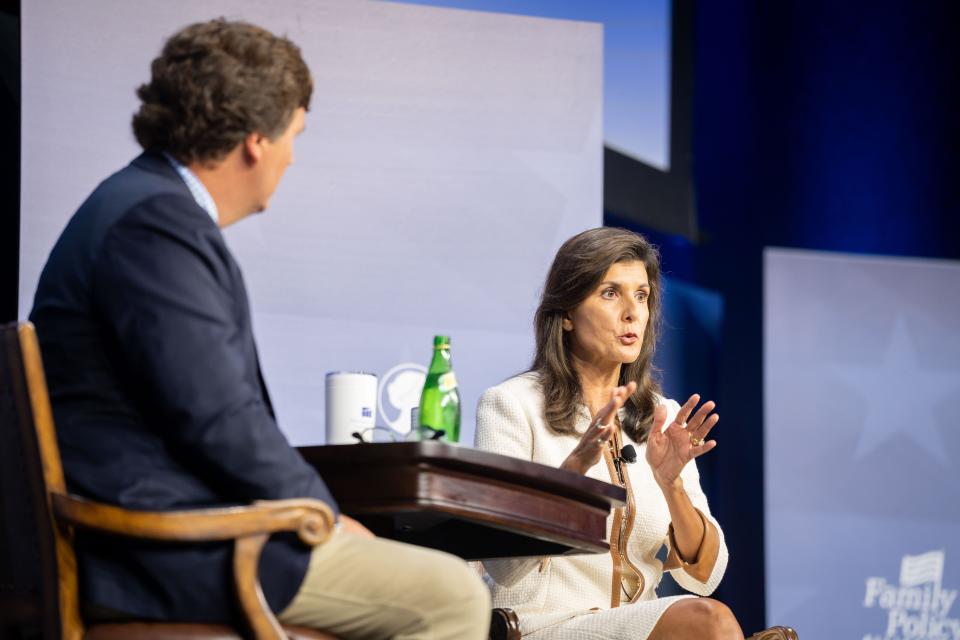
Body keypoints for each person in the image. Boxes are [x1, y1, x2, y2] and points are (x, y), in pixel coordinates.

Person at [29, 19, 489, 638]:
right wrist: (320, 512)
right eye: (294, 136)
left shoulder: (134, 204)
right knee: (453, 594)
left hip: (154, 540)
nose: (292, 156)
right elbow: (214, 418)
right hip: (164, 554)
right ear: (255, 141)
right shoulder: (156, 226)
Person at [474, 227, 743, 639]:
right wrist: (570, 477)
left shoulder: (661, 416)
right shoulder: (512, 406)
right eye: (610, 293)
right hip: (542, 625)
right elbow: (505, 566)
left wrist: (671, 485)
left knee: (708, 615)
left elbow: (704, 573)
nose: (633, 312)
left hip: (637, 624)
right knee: (709, 622)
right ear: (565, 314)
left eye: (642, 295)